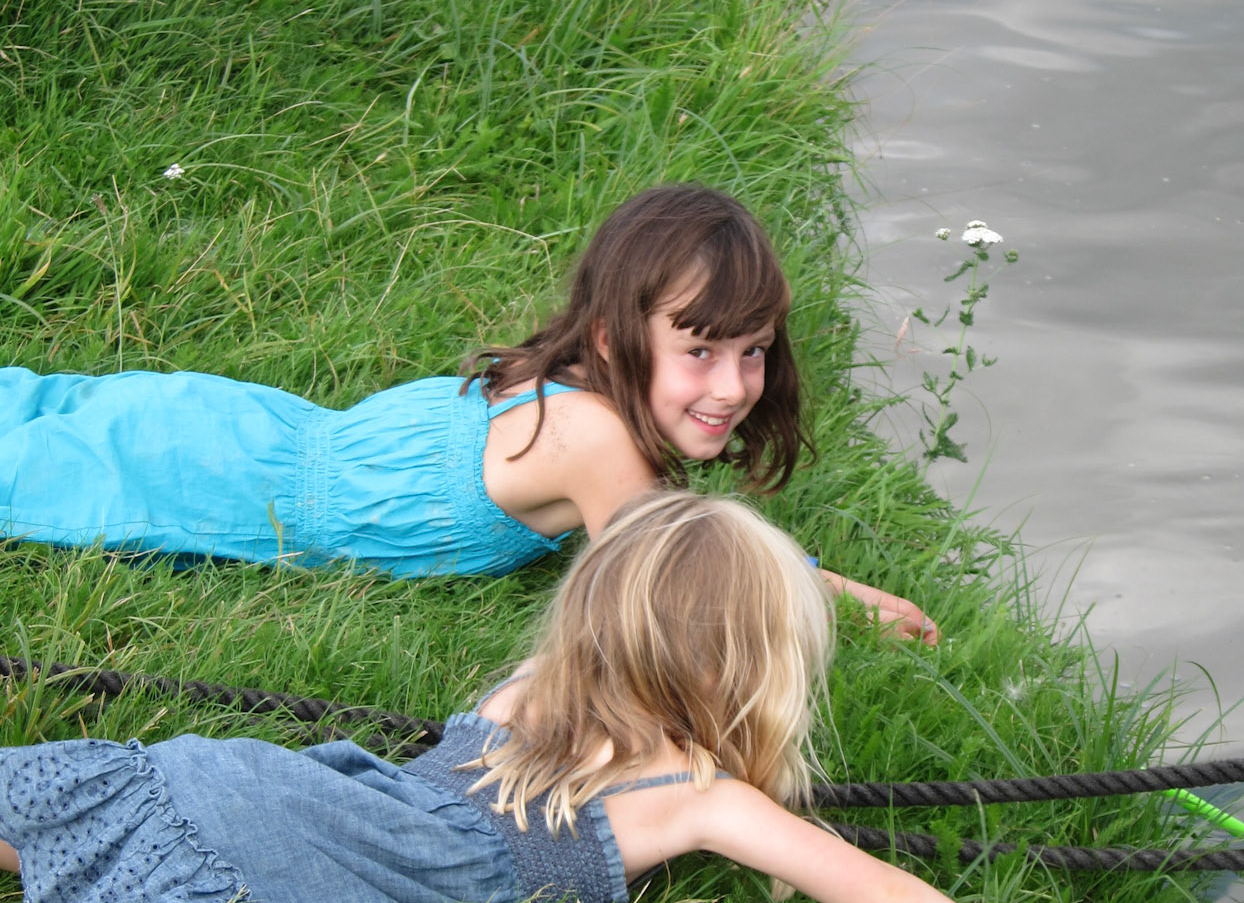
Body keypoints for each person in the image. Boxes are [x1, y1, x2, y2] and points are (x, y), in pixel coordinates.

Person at [0, 491, 1086, 903]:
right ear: (759, 670)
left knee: (57, 820)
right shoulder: (698, 801)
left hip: (237, 780)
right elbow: (884, 891)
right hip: (279, 861)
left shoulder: (532, 685)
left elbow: (651, 565)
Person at [0, 184, 935, 640]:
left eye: (753, 350)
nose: (732, 386)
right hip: (218, 483)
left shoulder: (572, 381)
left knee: (32, 407)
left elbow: (685, 533)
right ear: (614, 339)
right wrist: (849, 605)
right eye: (700, 351)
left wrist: (827, 581)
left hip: (229, 424)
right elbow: (694, 580)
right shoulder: (596, 438)